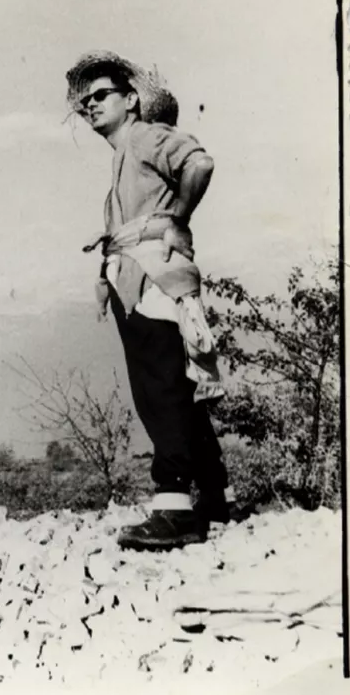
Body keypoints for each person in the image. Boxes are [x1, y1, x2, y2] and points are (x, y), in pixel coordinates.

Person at [66, 51, 238, 551]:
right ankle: (214, 496)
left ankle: (174, 508)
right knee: (175, 386)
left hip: (154, 277)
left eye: (100, 96)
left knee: (158, 386)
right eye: (84, 103)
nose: (90, 106)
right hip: (137, 276)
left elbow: (199, 163)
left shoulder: (144, 136)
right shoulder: (124, 156)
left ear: (132, 99)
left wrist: (178, 219)